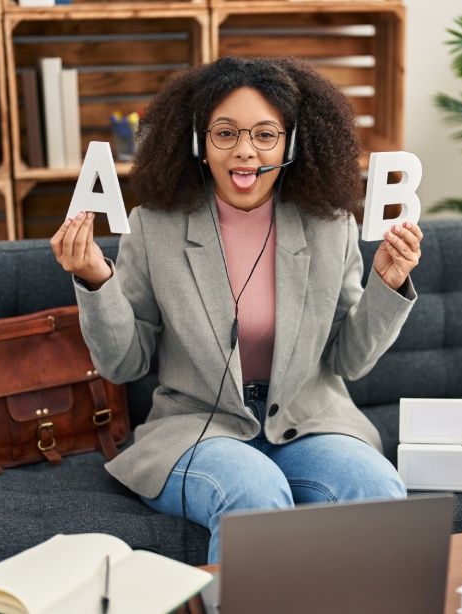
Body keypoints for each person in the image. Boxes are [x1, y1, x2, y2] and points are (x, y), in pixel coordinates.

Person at [50, 56, 424, 563]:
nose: (245, 151)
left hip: (308, 424)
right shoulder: (153, 227)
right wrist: (95, 278)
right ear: (198, 142)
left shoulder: (330, 227)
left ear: (291, 143)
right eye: (225, 133)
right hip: (197, 430)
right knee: (254, 492)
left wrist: (388, 282)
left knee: (378, 487)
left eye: (265, 134)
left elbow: (348, 362)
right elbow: (125, 363)